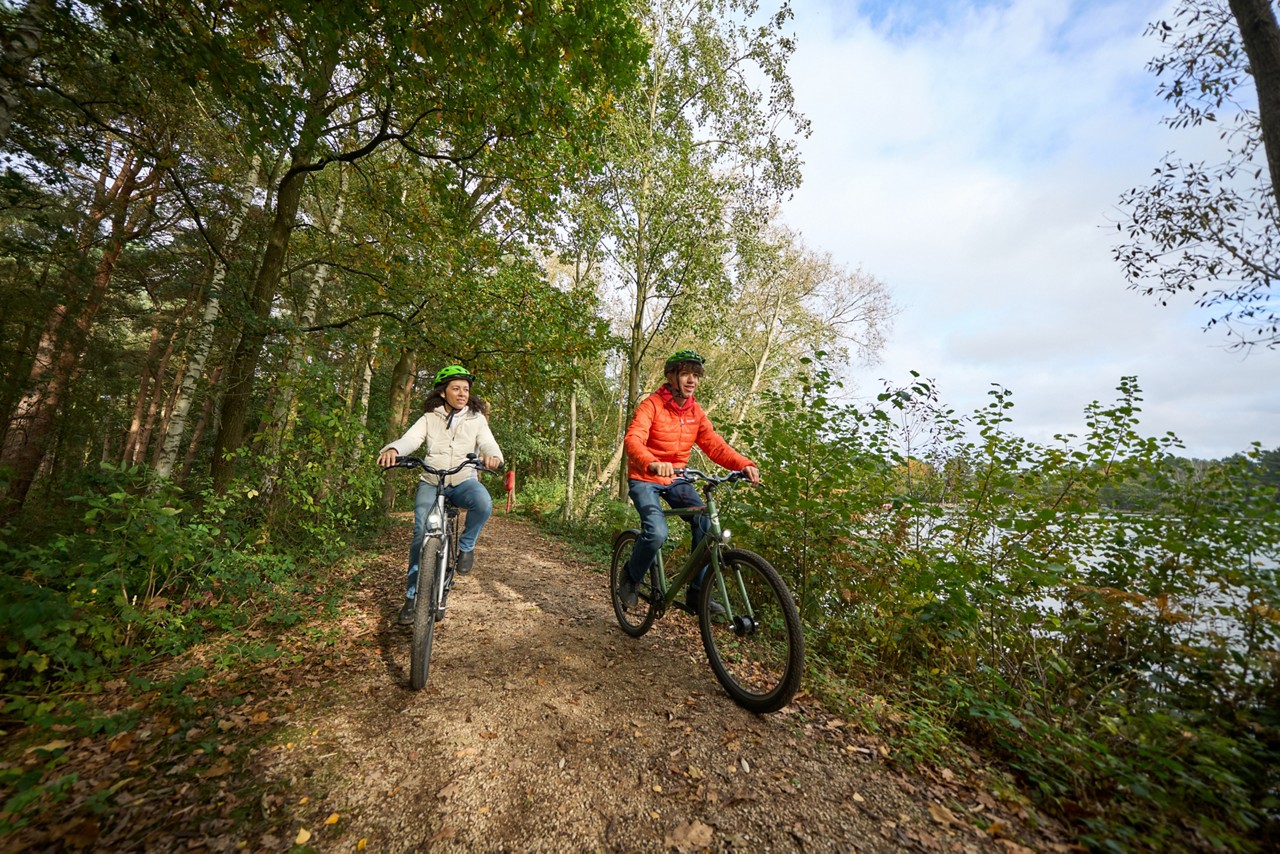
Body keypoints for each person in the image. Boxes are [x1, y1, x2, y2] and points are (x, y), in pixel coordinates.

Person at [619, 349, 760, 613]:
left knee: (706, 524)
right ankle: (630, 577)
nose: (692, 380)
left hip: (676, 479)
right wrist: (651, 462)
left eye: (696, 375)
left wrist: (744, 464)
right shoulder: (652, 405)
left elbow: (715, 446)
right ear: (671, 377)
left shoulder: (695, 412)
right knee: (657, 532)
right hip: (645, 477)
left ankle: (697, 593)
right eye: (686, 373)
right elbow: (633, 439)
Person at [378, 365, 503, 624]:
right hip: (432, 481)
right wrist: (393, 449)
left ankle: (465, 547)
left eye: (466, 389)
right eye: (456, 388)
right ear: (443, 393)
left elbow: (488, 443)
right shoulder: (429, 417)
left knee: (483, 502)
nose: (462, 394)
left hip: (462, 480)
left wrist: (493, 457)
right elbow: (409, 440)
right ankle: (412, 598)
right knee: (420, 533)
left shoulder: (476, 418)